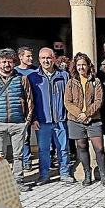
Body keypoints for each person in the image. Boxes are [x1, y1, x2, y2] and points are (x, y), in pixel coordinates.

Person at [0, 48, 34, 192]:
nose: (6, 65)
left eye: (9, 62)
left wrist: (27, 120)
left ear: (14, 63)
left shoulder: (22, 78)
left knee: (18, 155)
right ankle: (0, 182)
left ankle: (18, 180)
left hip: (18, 123)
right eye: (3, 62)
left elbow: (29, 100)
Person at [64, 52, 105, 187]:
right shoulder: (71, 82)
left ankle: (103, 174)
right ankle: (87, 174)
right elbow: (68, 102)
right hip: (75, 120)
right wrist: (80, 114)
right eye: (79, 65)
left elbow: (98, 101)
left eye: (83, 65)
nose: (81, 68)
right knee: (81, 146)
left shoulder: (95, 82)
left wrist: (87, 114)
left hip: (94, 119)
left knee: (99, 148)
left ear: (88, 66)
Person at [28, 48, 73, 185]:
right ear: (39, 60)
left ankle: (65, 173)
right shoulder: (33, 77)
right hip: (42, 121)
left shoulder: (64, 75)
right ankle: (44, 175)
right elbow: (30, 100)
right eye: (43, 58)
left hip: (60, 119)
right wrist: (33, 118)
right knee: (43, 150)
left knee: (64, 148)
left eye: (48, 58)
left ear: (53, 59)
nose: (46, 61)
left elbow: (69, 97)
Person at [15, 46, 37, 171]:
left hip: (37, 107)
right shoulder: (15, 72)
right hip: (23, 109)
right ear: (20, 57)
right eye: (27, 56)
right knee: (25, 137)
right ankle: (26, 160)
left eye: (31, 56)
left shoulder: (36, 71)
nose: (30, 58)